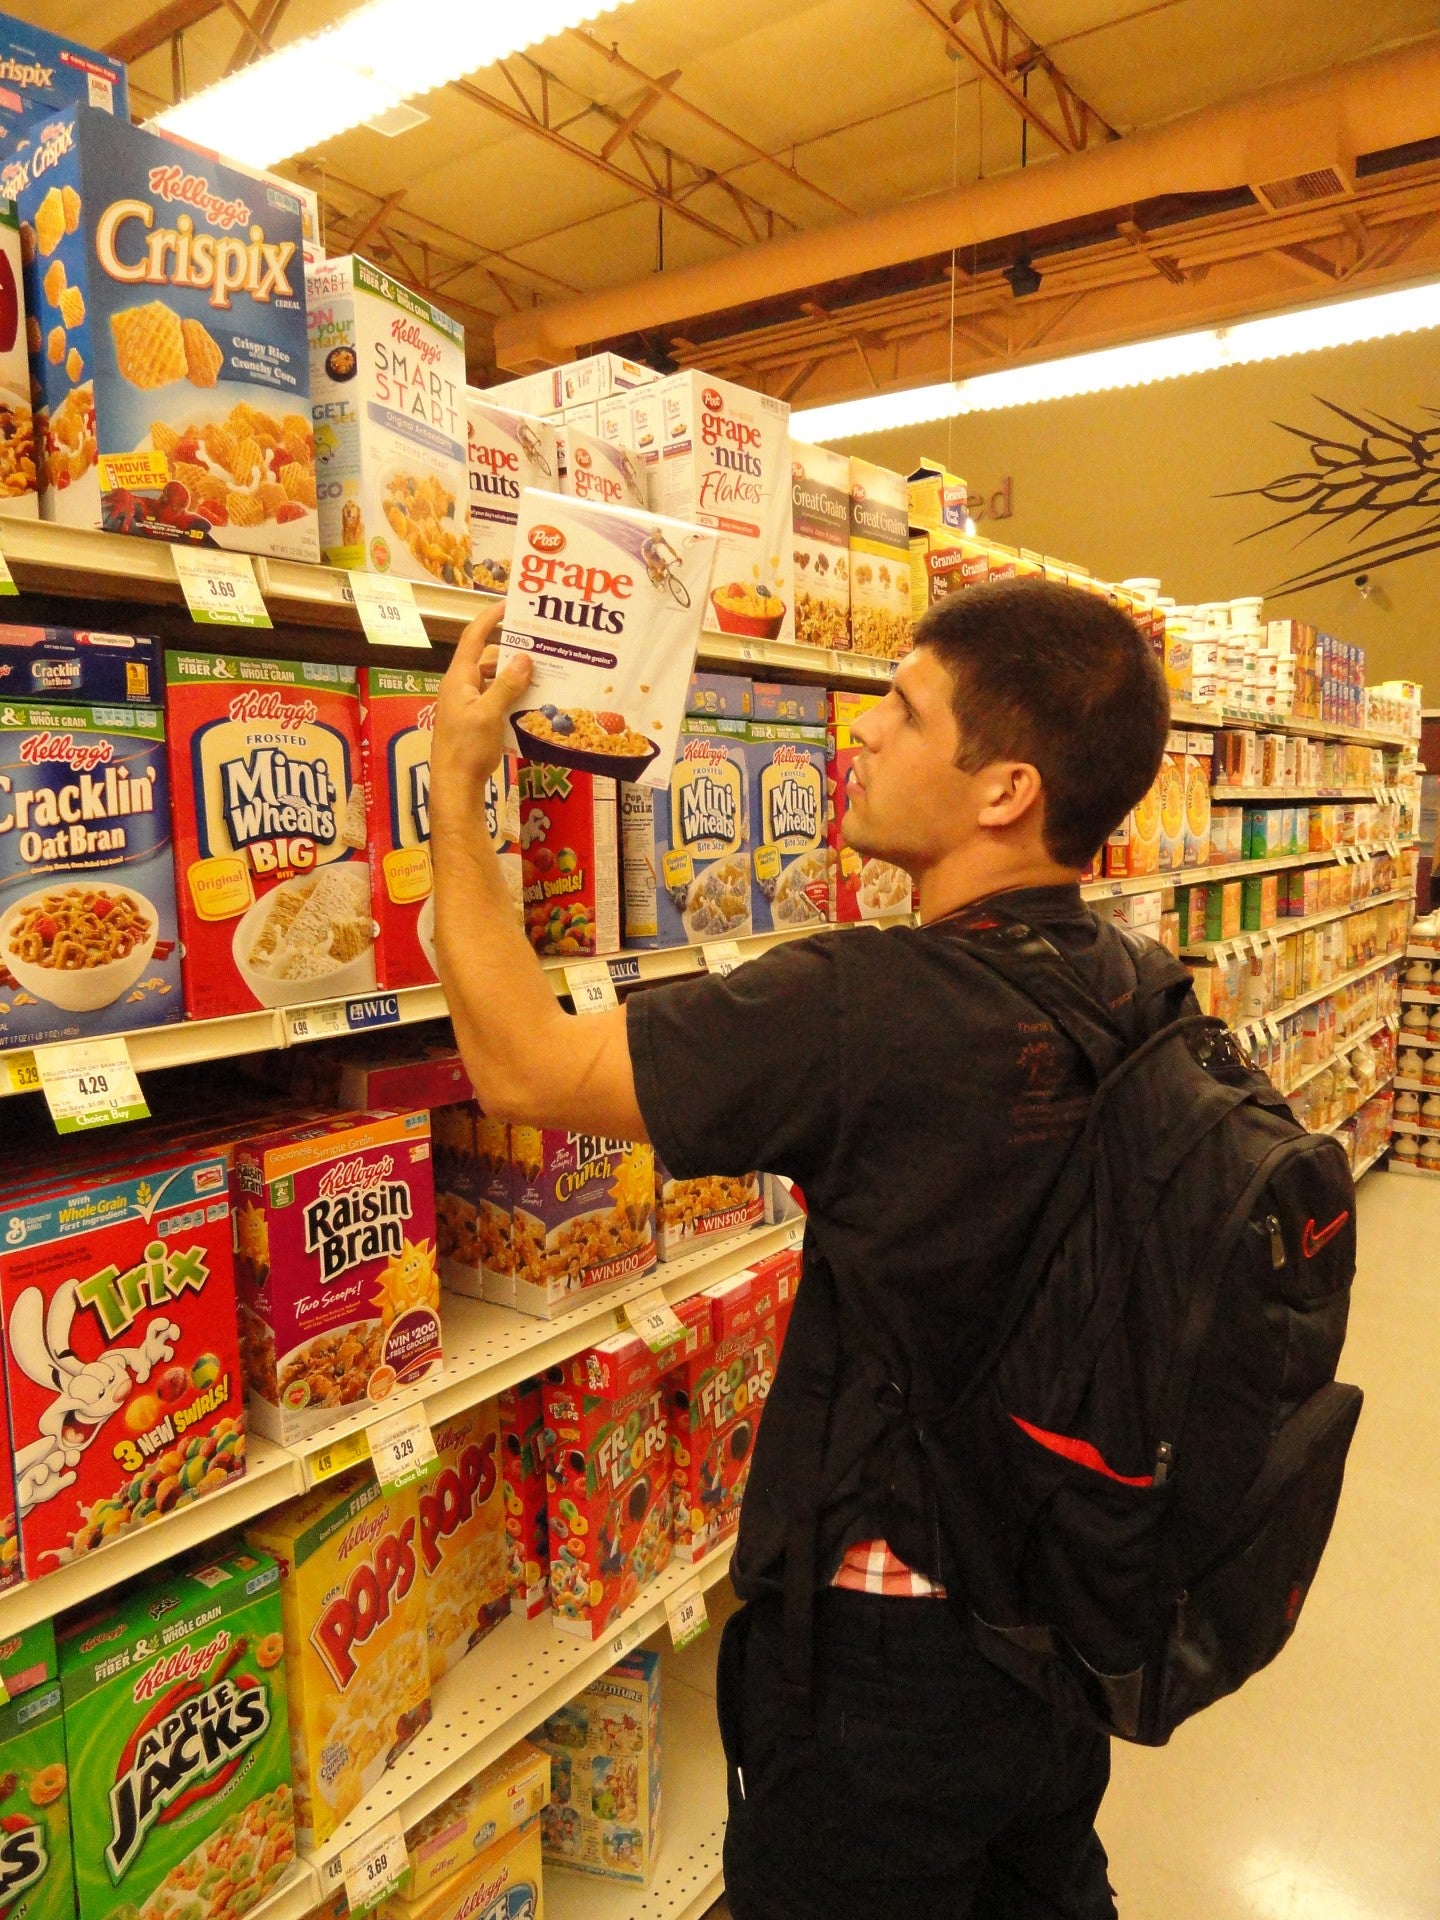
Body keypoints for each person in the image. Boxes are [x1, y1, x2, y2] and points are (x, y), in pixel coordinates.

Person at [431, 578, 1171, 1919]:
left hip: (888, 1644)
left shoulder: (868, 1005)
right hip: (1065, 1602)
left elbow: (522, 1068)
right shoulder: (1135, 983)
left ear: (1002, 789)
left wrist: (457, 778)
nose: (859, 736)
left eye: (900, 708)